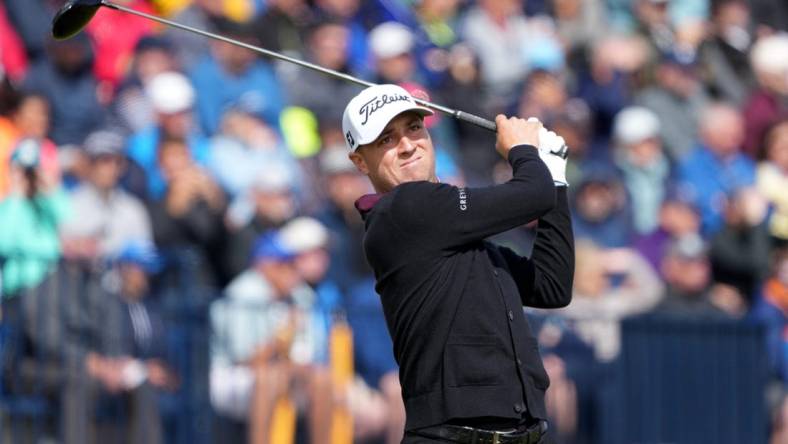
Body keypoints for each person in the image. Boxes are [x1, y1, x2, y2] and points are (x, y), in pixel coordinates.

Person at [342, 84, 574, 441]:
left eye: (414, 128)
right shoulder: (402, 210)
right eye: (386, 140)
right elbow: (532, 194)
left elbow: (551, 286)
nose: (407, 146)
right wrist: (524, 150)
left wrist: (556, 179)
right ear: (360, 161)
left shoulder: (455, 237)